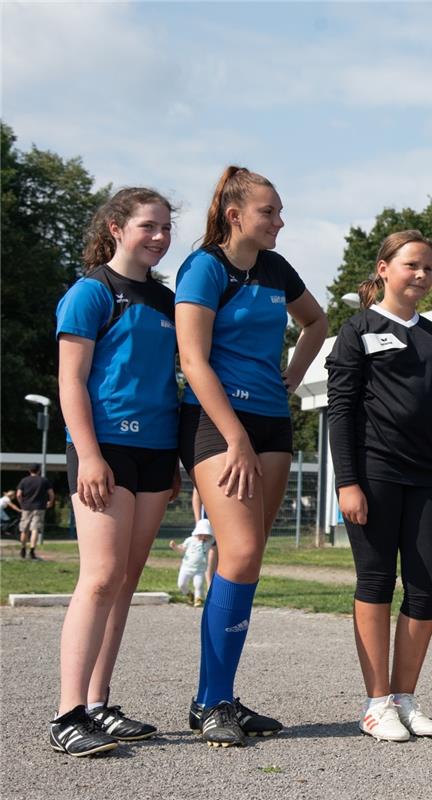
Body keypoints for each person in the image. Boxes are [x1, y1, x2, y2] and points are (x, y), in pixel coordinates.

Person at [175, 166, 326, 747]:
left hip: (270, 420)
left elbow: (315, 322)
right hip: (216, 423)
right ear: (235, 215)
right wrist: (234, 436)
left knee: (248, 560)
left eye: (281, 212)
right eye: (270, 212)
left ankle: (217, 697)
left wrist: (290, 377)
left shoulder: (276, 269)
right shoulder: (204, 268)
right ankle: (212, 701)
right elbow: (192, 360)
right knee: (236, 553)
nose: (280, 222)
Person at [49, 188, 180, 757]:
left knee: (126, 580)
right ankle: (67, 714)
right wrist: (91, 453)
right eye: (148, 225)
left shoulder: (168, 300)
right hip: (104, 449)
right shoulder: (90, 293)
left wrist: (175, 456)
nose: (159, 236)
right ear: (116, 228)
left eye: (166, 228)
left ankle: (100, 704)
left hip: (155, 453)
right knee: (100, 577)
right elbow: (71, 382)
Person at [325, 230, 432, 742]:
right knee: (377, 582)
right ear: (384, 269)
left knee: (427, 588)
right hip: (374, 475)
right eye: (411, 266)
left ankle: (405, 699)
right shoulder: (356, 330)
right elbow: (340, 412)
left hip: (428, 479)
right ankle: (376, 703)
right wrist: (348, 483)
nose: (422, 275)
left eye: (428, 267)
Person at [170, 519, 217, 607]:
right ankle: (190, 595)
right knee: (181, 584)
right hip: (186, 568)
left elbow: (217, 539)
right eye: (201, 535)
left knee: (198, 584)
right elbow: (182, 549)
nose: (203, 538)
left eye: (206, 535)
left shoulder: (210, 541)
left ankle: (198, 599)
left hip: (200, 569)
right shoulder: (190, 540)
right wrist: (175, 547)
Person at [17, 464, 54, 560]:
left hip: (26, 507)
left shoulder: (24, 480)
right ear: (39, 470)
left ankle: (23, 549)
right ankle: (32, 551)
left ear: (29, 470)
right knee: (35, 529)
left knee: (24, 529)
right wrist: (50, 502)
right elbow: (51, 494)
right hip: (39, 507)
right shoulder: (43, 480)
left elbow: (18, 494)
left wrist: (22, 503)